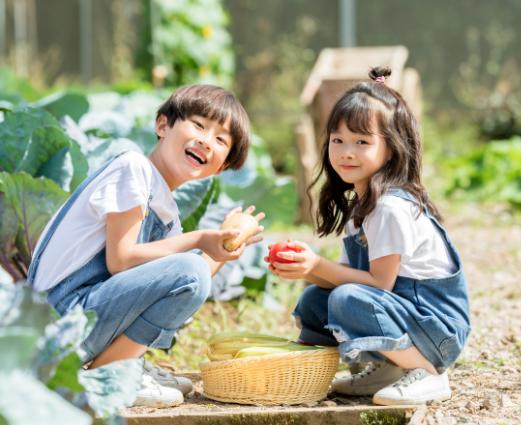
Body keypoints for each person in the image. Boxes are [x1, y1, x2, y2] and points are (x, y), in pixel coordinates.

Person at [27, 84, 264, 407]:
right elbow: (121, 261)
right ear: (163, 125)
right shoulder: (133, 168)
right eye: (198, 125)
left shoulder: (166, 210)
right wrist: (198, 239)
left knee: (192, 273)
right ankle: (108, 374)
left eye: (221, 140)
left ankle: (122, 365)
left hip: (82, 321)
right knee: (190, 269)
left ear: (221, 166)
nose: (206, 141)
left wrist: (225, 246)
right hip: (55, 324)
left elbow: (189, 286)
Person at [267, 67, 470, 406]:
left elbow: (377, 286)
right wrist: (305, 268)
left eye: (362, 142)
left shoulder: (391, 207)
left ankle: (430, 373)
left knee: (348, 300)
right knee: (316, 299)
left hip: (436, 331)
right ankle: (389, 366)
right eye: (338, 140)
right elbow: (346, 278)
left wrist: (317, 263)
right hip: (405, 315)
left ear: (391, 149)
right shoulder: (361, 206)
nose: (347, 152)